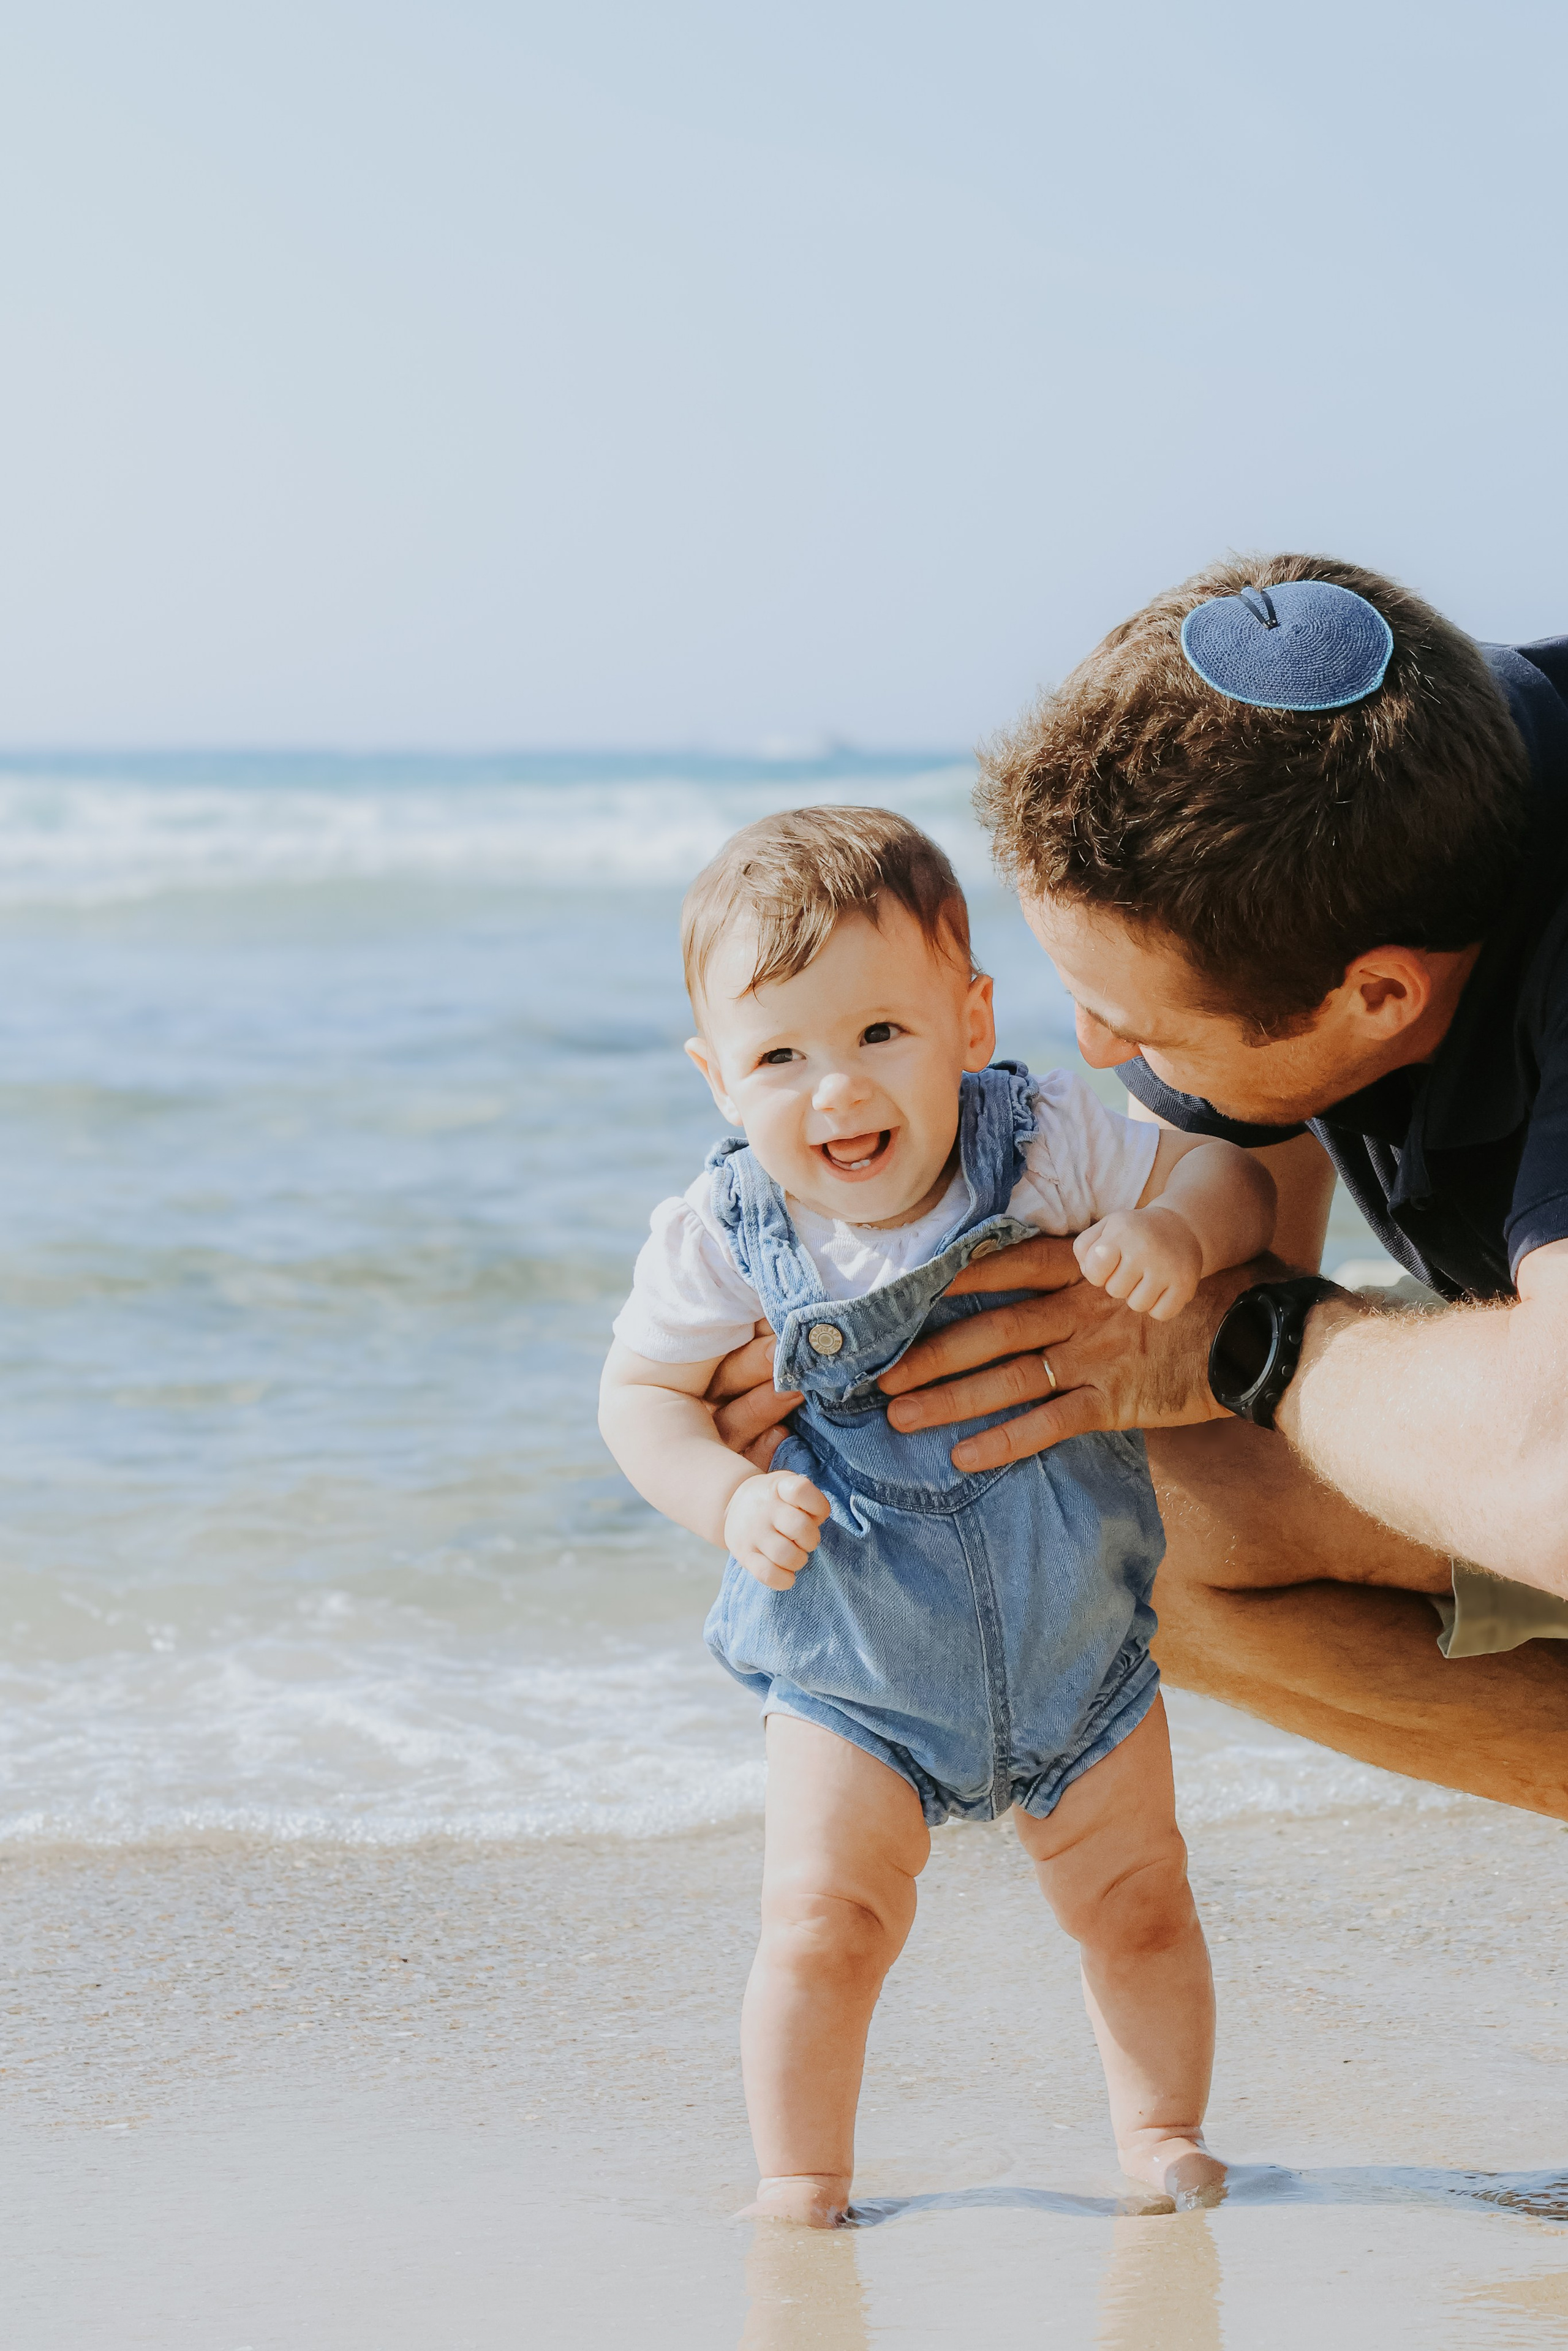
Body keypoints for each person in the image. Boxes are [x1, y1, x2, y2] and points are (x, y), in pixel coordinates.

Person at [707, 557, 1568, 1821]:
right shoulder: (1352, 788)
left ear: (1376, 993)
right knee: (1097, 1508)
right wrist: (886, 1356)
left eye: (1135, 1025)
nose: (1091, 1051)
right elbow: (1188, 1260)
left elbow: (1551, 1469)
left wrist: (1249, 1341)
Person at [599, 808, 1274, 2226]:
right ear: (715, 1074)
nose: (833, 1088)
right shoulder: (724, 1234)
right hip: (854, 1666)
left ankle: (1161, 2129)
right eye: (778, 1055)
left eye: (879, 1034)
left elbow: (1233, 1174)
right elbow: (640, 1399)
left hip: (1074, 1650)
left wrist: (1172, 1232)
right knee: (820, 1923)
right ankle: (803, 2176)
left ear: (969, 1021)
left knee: (1139, 1899)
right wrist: (727, 1496)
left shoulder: (1042, 1142)